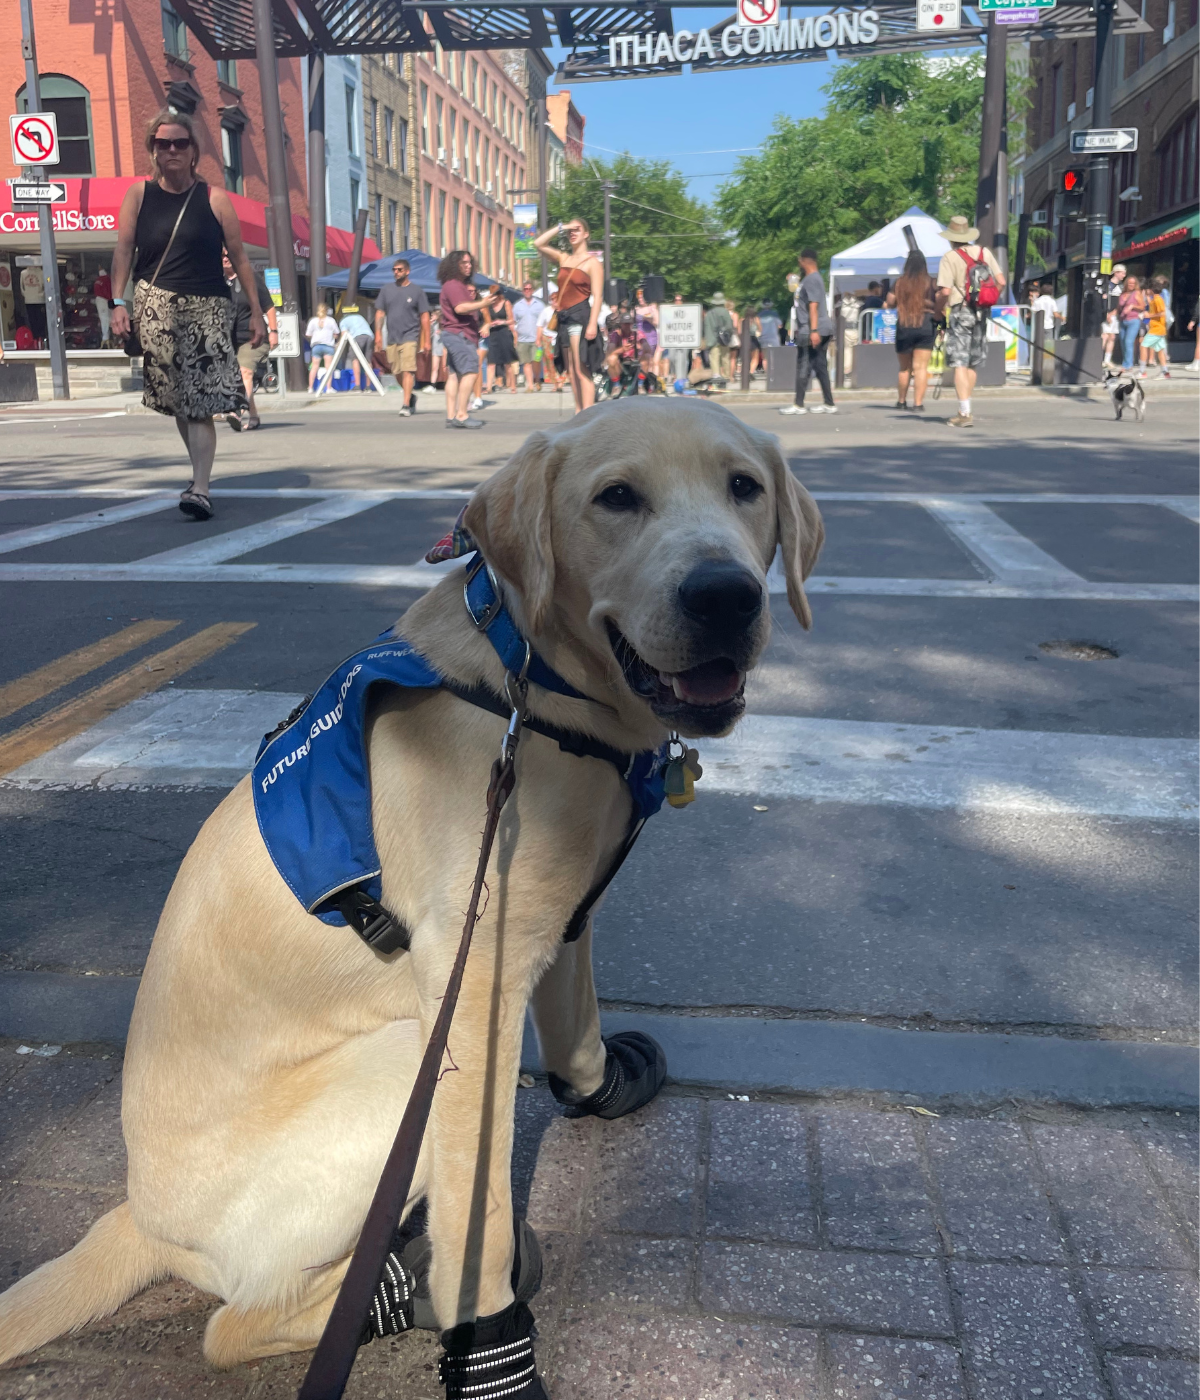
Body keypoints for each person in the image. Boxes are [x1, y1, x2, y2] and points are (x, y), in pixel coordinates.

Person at [109, 109, 263, 522]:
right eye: (164, 144)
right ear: (153, 151)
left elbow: (242, 258)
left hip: (208, 310)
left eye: (180, 143)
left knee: (198, 403)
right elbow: (123, 251)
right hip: (155, 308)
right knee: (179, 402)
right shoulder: (138, 197)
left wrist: (258, 314)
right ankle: (198, 477)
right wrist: (117, 302)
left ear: (194, 151)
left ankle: (201, 487)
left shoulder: (214, 199)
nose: (172, 150)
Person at [934, 215, 1005, 428]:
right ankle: (965, 407)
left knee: (959, 363)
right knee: (973, 361)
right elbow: (1001, 281)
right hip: (981, 312)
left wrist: (939, 312)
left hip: (960, 312)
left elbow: (945, 291)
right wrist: (986, 300)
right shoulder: (984, 253)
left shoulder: (950, 257)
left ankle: (964, 412)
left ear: (951, 237)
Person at [532, 217, 603, 412]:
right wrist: (562, 227)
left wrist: (592, 324)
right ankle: (579, 411)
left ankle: (587, 413)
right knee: (572, 370)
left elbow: (597, 296)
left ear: (586, 234)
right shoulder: (565, 258)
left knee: (581, 369)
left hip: (580, 316)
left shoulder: (592, 262)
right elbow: (538, 243)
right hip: (564, 317)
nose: (573, 233)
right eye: (570, 231)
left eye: (577, 229)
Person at [437, 248, 495, 429]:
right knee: (471, 371)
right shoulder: (454, 285)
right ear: (455, 265)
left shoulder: (454, 285)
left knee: (454, 376)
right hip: (459, 334)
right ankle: (462, 414)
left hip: (454, 333)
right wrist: (483, 303)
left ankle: (451, 415)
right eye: (464, 263)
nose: (469, 266)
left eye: (470, 262)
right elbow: (460, 308)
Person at [222, 252, 276, 429]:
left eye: (228, 254)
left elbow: (269, 306)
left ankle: (237, 411)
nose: (225, 257)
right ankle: (254, 416)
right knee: (240, 378)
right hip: (230, 339)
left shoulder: (250, 278)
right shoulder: (218, 282)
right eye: (220, 255)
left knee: (245, 372)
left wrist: (274, 331)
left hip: (253, 338)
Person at [780, 250, 836, 416]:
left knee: (803, 365)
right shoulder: (811, 279)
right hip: (820, 327)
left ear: (804, 261)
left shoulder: (812, 280)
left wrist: (813, 330)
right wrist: (794, 281)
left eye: (800, 261)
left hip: (811, 328)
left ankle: (798, 404)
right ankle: (829, 403)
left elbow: (813, 306)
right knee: (820, 366)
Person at [373, 258, 430, 417]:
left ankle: (405, 405)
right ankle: (410, 396)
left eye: (399, 270)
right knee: (396, 372)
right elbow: (380, 313)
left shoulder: (417, 291)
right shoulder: (386, 290)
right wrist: (378, 335)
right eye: (394, 270)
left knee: (408, 370)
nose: (396, 272)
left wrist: (427, 340)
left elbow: (424, 316)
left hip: (411, 336)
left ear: (407, 271)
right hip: (392, 337)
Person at [893, 250, 937, 412]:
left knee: (904, 368)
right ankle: (918, 403)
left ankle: (901, 401)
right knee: (921, 368)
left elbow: (890, 302)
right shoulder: (932, 282)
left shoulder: (899, 283)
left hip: (905, 323)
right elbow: (940, 301)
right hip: (926, 324)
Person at [484, 285, 519, 393]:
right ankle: (489, 387)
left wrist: (502, 322)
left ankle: (513, 386)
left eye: (495, 295)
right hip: (493, 334)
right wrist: (490, 324)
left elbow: (512, 320)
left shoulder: (506, 303)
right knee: (491, 362)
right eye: (492, 295)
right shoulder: (488, 305)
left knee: (507, 361)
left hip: (504, 333)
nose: (494, 297)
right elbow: (487, 321)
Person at [512, 279, 545, 390]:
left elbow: (544, 322)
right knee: (526, 363)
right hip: (522, 339)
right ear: (522, 291)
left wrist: (541, 336)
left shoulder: (540, 305)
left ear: (533, 290)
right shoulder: (517, 306)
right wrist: (515, 337)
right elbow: (513, 323)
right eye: (525, 289)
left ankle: (536, 379)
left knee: (536, 360)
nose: (527, 291)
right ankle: (530, 385)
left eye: (529, 289)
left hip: (537, 339)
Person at [338, 301, 374, 391]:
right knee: (368, 361)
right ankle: (368, 386)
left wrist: (338, 345)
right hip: (369, 336)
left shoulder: (343, 321)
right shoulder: (360, 317)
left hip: (358, 337)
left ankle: (357, 385)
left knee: (355, 359)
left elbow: (344, 335)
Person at [1139, 276, 1170, 378]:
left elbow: (1162, 313)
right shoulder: (1154, 300)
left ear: (1151, 289)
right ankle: (1165, 372)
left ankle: (1142, 371)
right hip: (1157, 329)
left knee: (1143, 346)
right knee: (1160, 350)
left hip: (1157, 329)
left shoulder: (1158, 299)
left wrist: (1149, 316)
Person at [702, 293, 734, 386]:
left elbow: (706, 327)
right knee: (725, 357)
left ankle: (716, 375)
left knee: (714, 358)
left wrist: (708, 339)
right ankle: (726, 376)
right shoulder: (725, 312)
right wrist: (728, 335)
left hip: (712, 339)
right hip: (723, 339)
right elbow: (729, 326)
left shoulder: (709, 313)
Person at [305, 303, 339, 391]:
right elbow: (336, 333)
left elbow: (308, 334)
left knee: (314, 367)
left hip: (316, 346)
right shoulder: (331, 320)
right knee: (329, 368)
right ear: (326, 311)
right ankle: (328, 388)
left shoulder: (313, 321)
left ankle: (310, 387)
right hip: (328, 346)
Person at [1117, 274, 1146, 371]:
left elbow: (1142, 306)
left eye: (1133, 283)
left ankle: (1128, 365)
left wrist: (1132, 306)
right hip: (1123, 320)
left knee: (1128, 342)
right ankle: (1126, 362)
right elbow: (1119, 307)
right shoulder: (1122, 294)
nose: (1131, 285)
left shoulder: (1137, 293)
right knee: (1122, 342)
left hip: (1133, 320)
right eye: (1129, 283)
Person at [536, 291, 561, 390]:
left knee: (560, 360)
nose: (554, 302)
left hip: (559, 338)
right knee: (549, 361)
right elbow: (540, 326)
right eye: (552, 299)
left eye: (556, 299)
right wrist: (538, 339)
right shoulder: (546, 311)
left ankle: (560, 381)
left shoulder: (563, 310)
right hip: (547, 338)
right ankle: (555, 383)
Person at [634, 285, 660, 383]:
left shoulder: (652, 308)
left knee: (649, 359)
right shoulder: (635, 309)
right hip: (638, 337)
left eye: (642, 297)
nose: (640, 299)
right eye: (639, 297)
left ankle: (648, 381)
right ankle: (639, 379)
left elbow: (657, 322)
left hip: (649, 336)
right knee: (639, 359)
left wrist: (648, 319)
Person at [93, 266, 112, 346]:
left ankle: (106, 337)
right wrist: (111, 299)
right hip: (104, 300)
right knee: (105, 318)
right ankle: (106, 337)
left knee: (104, 318)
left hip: (99, 300)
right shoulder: (106, 279)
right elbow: (108, 291)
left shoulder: (98, 280)